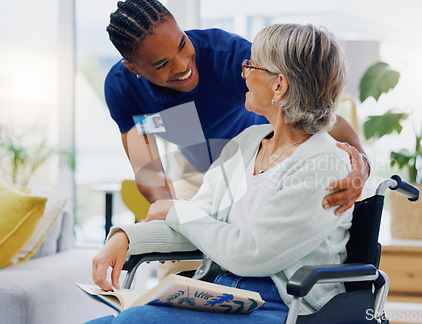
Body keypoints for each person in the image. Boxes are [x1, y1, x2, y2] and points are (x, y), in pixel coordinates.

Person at [90, 22, 353, 323]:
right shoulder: (246, 144)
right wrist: (125, 238)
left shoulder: (322, 164)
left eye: (251, 66)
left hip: (281, 305)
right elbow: (197, 223)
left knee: (132, 321)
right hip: (226, 294)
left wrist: (176, 210)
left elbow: (251, 253)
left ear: (279, 86)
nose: (243, 72)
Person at [104, 0, 370, 214]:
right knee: (176, 264)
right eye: (162, 64)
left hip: (258, 164)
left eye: (183, 44)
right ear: (133, 67)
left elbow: (316, 114)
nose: (183, 65)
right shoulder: (121, 88)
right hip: (195, 171)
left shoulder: (231, 57)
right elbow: (148, 171)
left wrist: (362, 167)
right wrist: (166, 219)